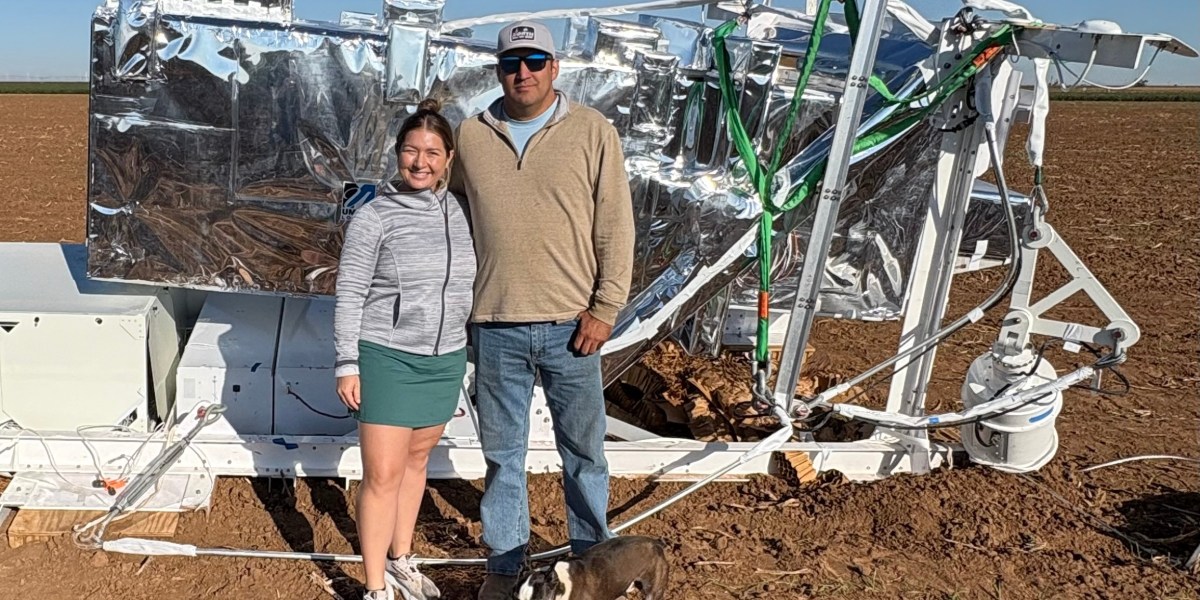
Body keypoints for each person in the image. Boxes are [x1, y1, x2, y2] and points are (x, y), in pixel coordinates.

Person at [449, 20, 636, 600]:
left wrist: (606, 307)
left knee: (584, 454)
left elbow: (615, 224)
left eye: (534, 61)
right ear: (498, 70)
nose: (523, 72)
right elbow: (449, 217)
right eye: (511, 63)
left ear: (555, 67)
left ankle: (593, 568)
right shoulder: (471, 137)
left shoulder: (592, 131)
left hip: (572, 327)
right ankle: (505, 568)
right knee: (502, 457)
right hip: (495, 325)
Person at [334, 98, 476, 600]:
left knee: (416, 464)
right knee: (382, 475)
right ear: (397, 154)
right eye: (411, 151)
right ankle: (375, 587)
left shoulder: (462, 212)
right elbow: (349, 291)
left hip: (445, 359)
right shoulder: (375, 216)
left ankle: (401, 560)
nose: (420, 162)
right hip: (388, 357)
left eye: (432, 153)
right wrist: (347, 362)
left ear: (449, 158)